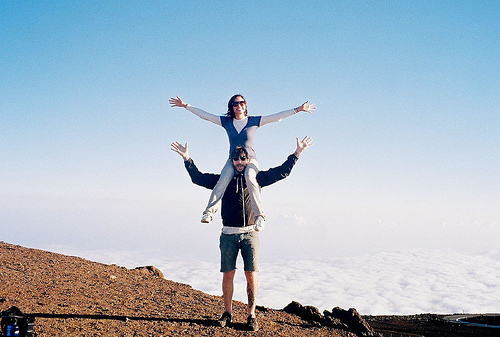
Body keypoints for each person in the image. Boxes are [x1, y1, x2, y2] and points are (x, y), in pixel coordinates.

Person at [171, 136, 313, 331]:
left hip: (250, 233)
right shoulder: (224, 180)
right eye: (236, 159)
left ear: (248, 160)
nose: (239, 162)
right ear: (231, 161)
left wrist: (297, 154)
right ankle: (227, 313)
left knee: (251, 275)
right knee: (228, 275)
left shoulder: (255, 179)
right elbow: (199, 178)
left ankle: (251, 315)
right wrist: (187, 159)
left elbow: (281, 173)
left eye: (243, 158)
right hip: (228, 233)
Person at [169, 95, 316, 231]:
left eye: (241, 103)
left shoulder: (254, 121)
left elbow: (277, 117)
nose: (238, 106)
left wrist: (298, 109)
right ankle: (208, 212)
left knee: (251, 179)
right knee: (222, 181)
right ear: (231, 107)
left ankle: (260, 217)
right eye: (235, 104)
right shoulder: (226, 122)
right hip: (232, 160)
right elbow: (205, 116)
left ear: (245, 105)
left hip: (250, 160)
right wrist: (186, 105)